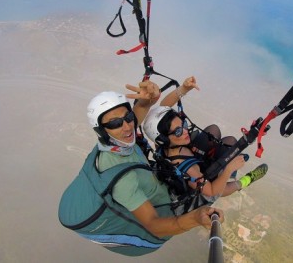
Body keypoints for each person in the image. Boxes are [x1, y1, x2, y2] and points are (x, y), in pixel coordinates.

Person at [58, 80, 224, 257]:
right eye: (114, 123)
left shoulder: (117, 143)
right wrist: (195, 218)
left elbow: (136, 119)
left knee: (212, 139)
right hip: (169, 208)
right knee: (222, 164)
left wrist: (147, 100)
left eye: (127, 117)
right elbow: (154, 225)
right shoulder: (122, 180)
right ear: (102, 130)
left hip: (159, 184)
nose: (127, 126)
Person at [142, 77, 268, 214]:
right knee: (231, 143)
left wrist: (183, 89)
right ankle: (246, 180)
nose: (185, 131)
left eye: (183, 124)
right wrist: (228, 169)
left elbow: (164, 106)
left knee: (213, 130)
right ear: (165, 139)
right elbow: (211, 191)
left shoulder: (162, 143)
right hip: (202, 184)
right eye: (178, 132)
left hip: (193, 158)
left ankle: (223, 168)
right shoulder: (188, 169)